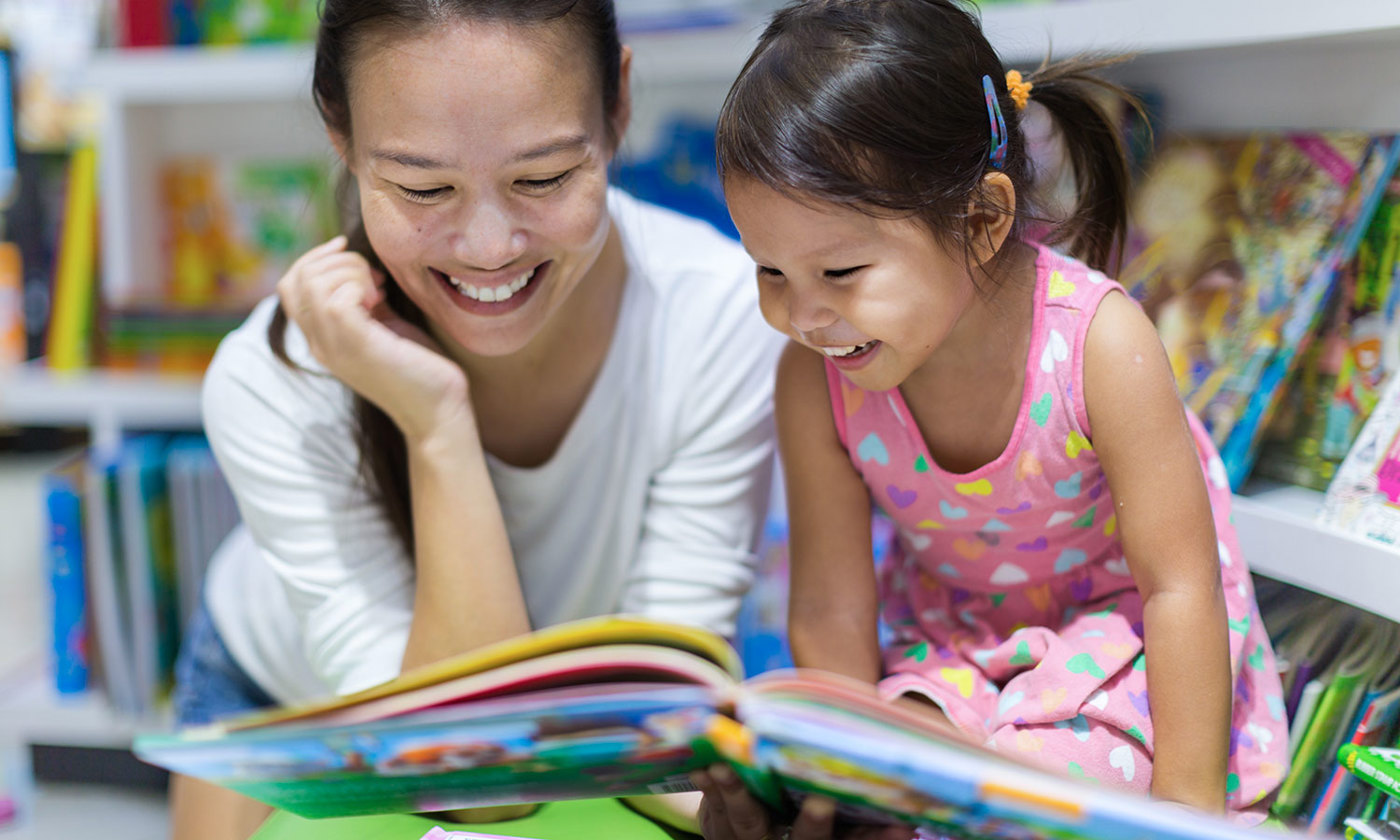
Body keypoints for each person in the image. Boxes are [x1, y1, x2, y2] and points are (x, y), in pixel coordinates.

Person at [169, 2, 782, 838]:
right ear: (339, 137)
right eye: (424, 187)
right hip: (287, 702)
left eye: (543, 178)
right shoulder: (273, 380)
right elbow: (462, 775)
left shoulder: (715, 320)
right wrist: (435, 423)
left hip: (581, 721)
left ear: (618, 108)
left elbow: (657, 715)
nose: (490, 247)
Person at [694, 1, 1290, 837]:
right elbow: (831, 609)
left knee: (1032, 801)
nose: (803, 315)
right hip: (954, 649)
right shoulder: (815, 378)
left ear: (982, 220)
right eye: (769, 271)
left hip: (1120, 646)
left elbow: (1180, 588)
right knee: (885, 805)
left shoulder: (1100, 343)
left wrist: (1185, 811)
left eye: (840, 270)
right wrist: (845, 773)